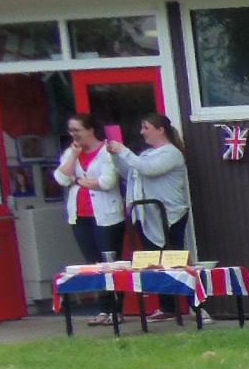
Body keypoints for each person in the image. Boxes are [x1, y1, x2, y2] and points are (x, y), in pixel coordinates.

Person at [107, 112, 191, 323]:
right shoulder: (146, 154)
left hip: (169, 214)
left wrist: (124, 150)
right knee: (154, 262)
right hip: (148, 215)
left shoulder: (171, 153)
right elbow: (130, 172)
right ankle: (167, 306)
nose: (142, 132)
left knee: (173, 260)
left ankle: (195, 304)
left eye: (146, 128)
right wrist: (116, 156)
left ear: (160, 130)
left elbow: (149, 170)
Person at [53, 112, 122, 325]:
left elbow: (107, 182)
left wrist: (77, 180)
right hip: (80, 215)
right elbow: (60, 178)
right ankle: (103, 309)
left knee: (109, 263)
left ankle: (115, 310)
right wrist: (73, 157)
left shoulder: (106, 151)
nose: (73, 134)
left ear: (90, 129)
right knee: (92, 264)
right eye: (70, 131)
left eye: (77, 130)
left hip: (106, 215)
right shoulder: (71, 152)